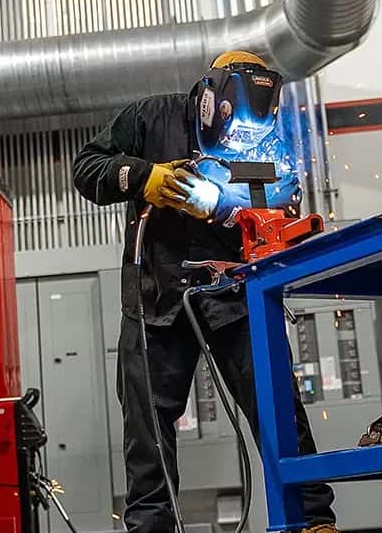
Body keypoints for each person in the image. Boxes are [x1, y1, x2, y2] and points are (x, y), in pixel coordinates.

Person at [72, 50, 338, 533]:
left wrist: (224, 204)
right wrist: (142, 177)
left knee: (278, 408)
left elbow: (284, 194)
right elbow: (86, 167)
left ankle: (312, 521)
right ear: (210, 102)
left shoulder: (269, 141)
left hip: (235, 298)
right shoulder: (150, 118)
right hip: (156, 297)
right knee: (147, 433)